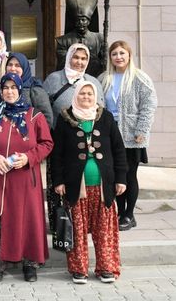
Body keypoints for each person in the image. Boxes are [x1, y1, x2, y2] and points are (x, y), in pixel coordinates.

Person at [0, 73, 53, 282]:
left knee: (27, 219)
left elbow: (46, 143)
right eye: (5, 88)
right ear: (0, 90)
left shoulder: (34, 115)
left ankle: (30, 264)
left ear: (20, 90)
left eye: (13, 88)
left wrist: (28, 157)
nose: (9, 91)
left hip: (25, 178)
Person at [51, 81, 127, 284]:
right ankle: (79, 270)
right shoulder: (65, 119)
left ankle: (106, 268)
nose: (86, 97)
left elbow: (119, 151)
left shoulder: (106, 118)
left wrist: (121, 179)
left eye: (90, 94)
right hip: (77, 187)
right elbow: (57, 155)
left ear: (96, 97)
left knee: (104, 231)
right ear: (76, 96)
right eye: (82, 94)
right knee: (77, 231)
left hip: (103, 187)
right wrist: (58, 181)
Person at [43, 43, 104, 248]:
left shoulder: (92, 82)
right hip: (59, 136)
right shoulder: (54, 79)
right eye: (75, 57)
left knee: (82, 182)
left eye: (83, 58)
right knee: (56, 180)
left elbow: (100, 110)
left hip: (87, 139)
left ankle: (82, 221)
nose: (79, 62)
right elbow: (44, 105)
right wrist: (51, 130)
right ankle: (57, 219)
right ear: (68, 57)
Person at [100, 41, 158, 232]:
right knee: (115, 174)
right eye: (114, 54)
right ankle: (119, 212)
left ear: (129, 55)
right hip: (110, 133)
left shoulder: (139, 78)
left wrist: (142, 130)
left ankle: (129, 215)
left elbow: (149, 105)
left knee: (128, 174)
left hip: (132, 134)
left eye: (122, 53)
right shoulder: (104, 78)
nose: (118, 57)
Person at [0, 52, 53, 128]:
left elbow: (47, 118)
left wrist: (33, 136)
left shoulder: (34, 89)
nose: (12, 68)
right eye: (10, 65)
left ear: (24, 68)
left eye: (17, 65)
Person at [55, 0, 105, 77]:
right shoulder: (62, 41)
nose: (80, 23)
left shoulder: (99, 38)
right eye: (78, 20)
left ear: (88, 22)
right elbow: (64, 63)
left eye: (83, 20)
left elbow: (104, 62)